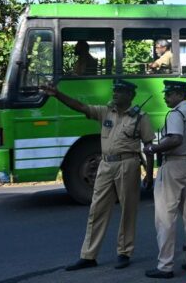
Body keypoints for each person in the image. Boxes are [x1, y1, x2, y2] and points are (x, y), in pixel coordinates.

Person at [41, 79, 154, 271]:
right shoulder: (105, 112)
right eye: (114, 90)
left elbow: (149, 147)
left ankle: (124, 252)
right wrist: (57, 94)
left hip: (128, 164)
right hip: (105, 164)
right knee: (97, 210)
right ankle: (88, 255)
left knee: (128, 210)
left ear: (130, 95)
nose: (115, 94)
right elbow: (80, 106)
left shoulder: (140, 117)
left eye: (120, 91)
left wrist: (149, 175)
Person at [143, 80, 186, 279]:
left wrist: (152, 148)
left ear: (179, 94)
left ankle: (165, 265)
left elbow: (175, 139)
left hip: (174, 165)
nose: (165, 98)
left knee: (165, 217)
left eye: (168, 94)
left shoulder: (177, 114)